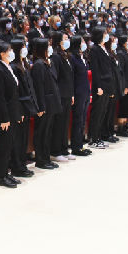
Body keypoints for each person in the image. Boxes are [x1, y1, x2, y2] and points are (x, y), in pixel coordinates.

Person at [0, 40, 24, 189]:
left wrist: (18, 112)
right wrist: (4, 118)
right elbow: (0, 97)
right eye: (9, 50)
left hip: (12, 112)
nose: (11, 52)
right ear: (2, 54)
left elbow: (14, 94)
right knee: (4, 146)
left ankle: (6, 173)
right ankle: (1, 176)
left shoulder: (8, 67)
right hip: (4, 115)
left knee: (10, 144)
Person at [30, 38, 60, 169]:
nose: (50, 48)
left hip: (51, 103)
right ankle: (40, 160)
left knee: (48, 133)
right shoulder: (38, 65)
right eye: (48, 46)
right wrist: (40, 107)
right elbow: (38, 88)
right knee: (41, 133)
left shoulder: (48, 62)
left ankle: (46, 158)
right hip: (44, 104)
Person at [9, 37, 36, 177]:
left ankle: (22, 165)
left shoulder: (24, 63)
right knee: (18, 139)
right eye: (23, 46)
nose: (25, 48)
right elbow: (15, 92)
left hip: (27, 105)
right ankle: (17, 167)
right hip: (19, 106)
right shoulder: (14, 67)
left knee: (24, 138)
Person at [49, 32, 75, 162]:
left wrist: (71, 94)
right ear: (59, 41)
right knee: (58, 124)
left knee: (65, 123)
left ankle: (64, 149)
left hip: (67, 94)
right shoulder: (55, 56)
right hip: (60, 95)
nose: (67, 40)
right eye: (65, 39)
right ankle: (55, 151)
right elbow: (56, 78)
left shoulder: (66, 55)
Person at [87, 27, 114, 149]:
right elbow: (96, 70)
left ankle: (98, 137)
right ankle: (93, 139)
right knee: (97, 113)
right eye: (104, 34)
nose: (106, 35)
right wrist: (98, 86)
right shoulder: (94, 49)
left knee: (103, 112)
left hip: (107, 84)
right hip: (100, 85)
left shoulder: (104, 48)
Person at [69, 36, 92, 156]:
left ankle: (80, 145)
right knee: (78, 120)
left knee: (83, 120)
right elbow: (72, 78)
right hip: (78, 93)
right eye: (82, 41)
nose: (84, 43)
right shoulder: (73, 58)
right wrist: (72, 94)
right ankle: (76, 147)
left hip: (85, 92)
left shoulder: (82, 56)